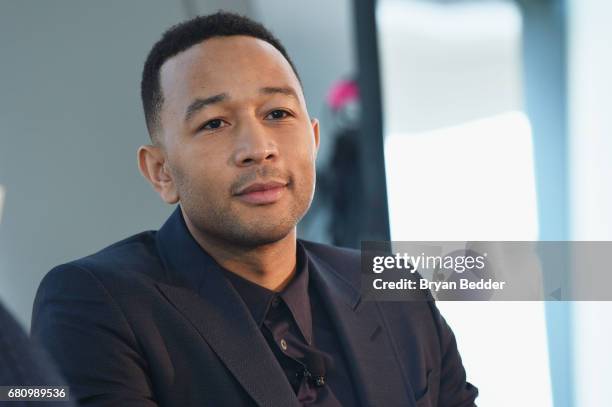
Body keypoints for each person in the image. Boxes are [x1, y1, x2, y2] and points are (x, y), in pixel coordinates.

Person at [31, 12, 478, 407]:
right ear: (161, 171)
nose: (258, 149)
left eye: (278, 114)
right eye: (214, 123)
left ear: (315, 138)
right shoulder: (94, 303)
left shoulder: (394, 290)